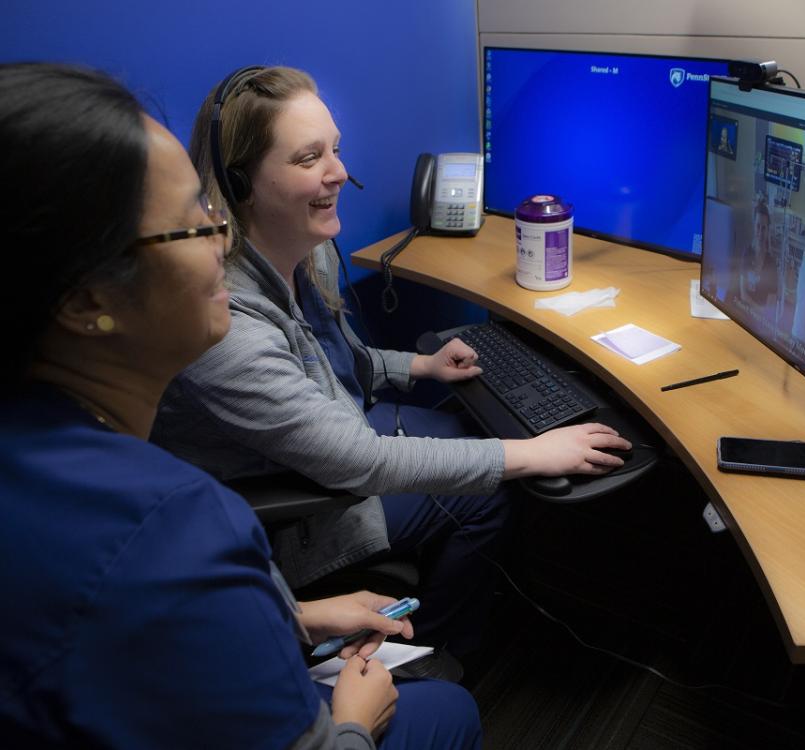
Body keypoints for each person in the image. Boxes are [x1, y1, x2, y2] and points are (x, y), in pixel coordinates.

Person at [0, 62, 480, 749]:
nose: (222, 238)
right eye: (190, 224)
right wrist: (352, 722)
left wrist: (297, 616)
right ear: (85, 301)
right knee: (453, 714)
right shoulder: (177, 532)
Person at [151, 65, 631, 658]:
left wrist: (421, 368)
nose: (339, 173)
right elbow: (359, 463)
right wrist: (536, 453)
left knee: (466, 430)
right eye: (308, 159)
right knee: (492, 491)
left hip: (332, 440)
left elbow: (329, 364)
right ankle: (431, 654)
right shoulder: (227, 325)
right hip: (293, 506)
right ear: (240, 181)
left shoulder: (307, 250)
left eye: (336, 150)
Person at [738, 199, 779, 313]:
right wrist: (757, 309)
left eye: (764, 228)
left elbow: (771, 302)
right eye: (758, 226)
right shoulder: (747, 254)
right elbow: (743, 294)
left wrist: (760, 313)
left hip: (762, 319)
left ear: (768, 230)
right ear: (754, 226)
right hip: (745, 311)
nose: (760, 232)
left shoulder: (771, 265)